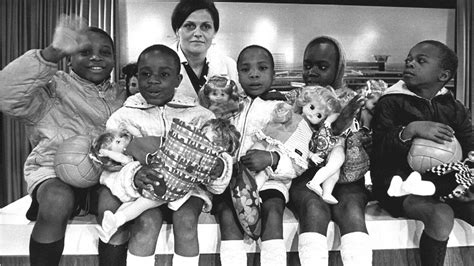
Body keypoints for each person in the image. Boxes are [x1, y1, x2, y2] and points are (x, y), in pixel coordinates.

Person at [0, 15, 127, 265]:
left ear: (114, 60)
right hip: (53, 171)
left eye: (105, 52)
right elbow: (5, 96)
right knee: (57, 200)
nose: (96, 57)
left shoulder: (125, 95)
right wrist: (50, 54)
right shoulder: (51, 87)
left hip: (105, 176)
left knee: (114, 205)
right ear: (69, 58)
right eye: (85, 51)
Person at [101, 44, 233, 266]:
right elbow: (109, 164)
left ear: (178, 80)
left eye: (163, 74)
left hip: (189, 188)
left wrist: (219, 167)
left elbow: (220, 150)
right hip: (145, 193)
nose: (153, 80)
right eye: (145, 74)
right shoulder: (122, 118)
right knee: (145, 224)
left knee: (187, 220)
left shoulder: (200, 115)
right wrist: (134, 176)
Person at [371, 40, 474, 266]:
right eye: (409, 59)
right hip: (398, 186)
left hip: (447, 182)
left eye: (420, 60)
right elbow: (378, 150)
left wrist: (467, 183)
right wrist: (409, 131)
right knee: (441, 216)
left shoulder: (454, 107)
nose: (410, 63)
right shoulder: (390, 102)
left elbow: (470, 145)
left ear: (443, 75)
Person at [213, 45, 302, 266]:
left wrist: (272, 159)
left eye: (262, 68)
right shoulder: (230, 107)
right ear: (237, 75)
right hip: (233, 182)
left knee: (273, 211)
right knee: (226, 213)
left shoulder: (284, 109)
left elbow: (299, 158)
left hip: (271, 181)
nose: (254, 74)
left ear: (273, 74)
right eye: (245, 69)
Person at [288, 36, 372, 265]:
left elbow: (363, 144)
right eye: (307, 65)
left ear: (338, 69)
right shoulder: (298, 100)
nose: (312, 71)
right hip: (305, 174)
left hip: (348, 177)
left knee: (352, 211)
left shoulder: (354, 102)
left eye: (322, 66)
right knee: (314, 208)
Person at [92, 118, 239, 243]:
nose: (201, 138)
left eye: (209, 138)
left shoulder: (212, 158)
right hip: (159, 177)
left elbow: (215, 184)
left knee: (145, 203)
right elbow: (146, 141)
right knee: (138, 202)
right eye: (202, 131)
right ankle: (111, 226)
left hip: (174, 189)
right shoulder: (186, 143)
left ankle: (117, 220)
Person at [171, 0, 239, 102]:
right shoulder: (160, 64)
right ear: (177, 31)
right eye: (190, 26)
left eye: (205, 26)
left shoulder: (229, 66)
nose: (198, 33)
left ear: (214, 32)